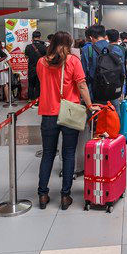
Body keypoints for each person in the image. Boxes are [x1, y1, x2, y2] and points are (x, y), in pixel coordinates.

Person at [36, 31, 98, 210]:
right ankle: (65, 196)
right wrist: (89, 104)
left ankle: (42, 194)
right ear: (70, 43)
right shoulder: (72, 61)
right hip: (69, 111)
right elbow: (81, 85)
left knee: (48, 153)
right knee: (68, 153)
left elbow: (42, 81)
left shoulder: (42, 61)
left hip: (48, 113)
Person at [25, 30, 47, 100]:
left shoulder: (28, 47)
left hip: (31, 68)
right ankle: (37, 100)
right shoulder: (44, 47)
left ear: (32, 37)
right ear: (39, 37)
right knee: (38, 85)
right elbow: (46, 58)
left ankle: (30, 100)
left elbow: (26, 57)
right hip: (40, 69)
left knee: (31, 85)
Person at [0, 39, 12, 103]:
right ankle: (7, 99)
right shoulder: (4, 51)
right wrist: (11, 68)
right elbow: (8, 60)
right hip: (3, 70)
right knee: (5, 84)